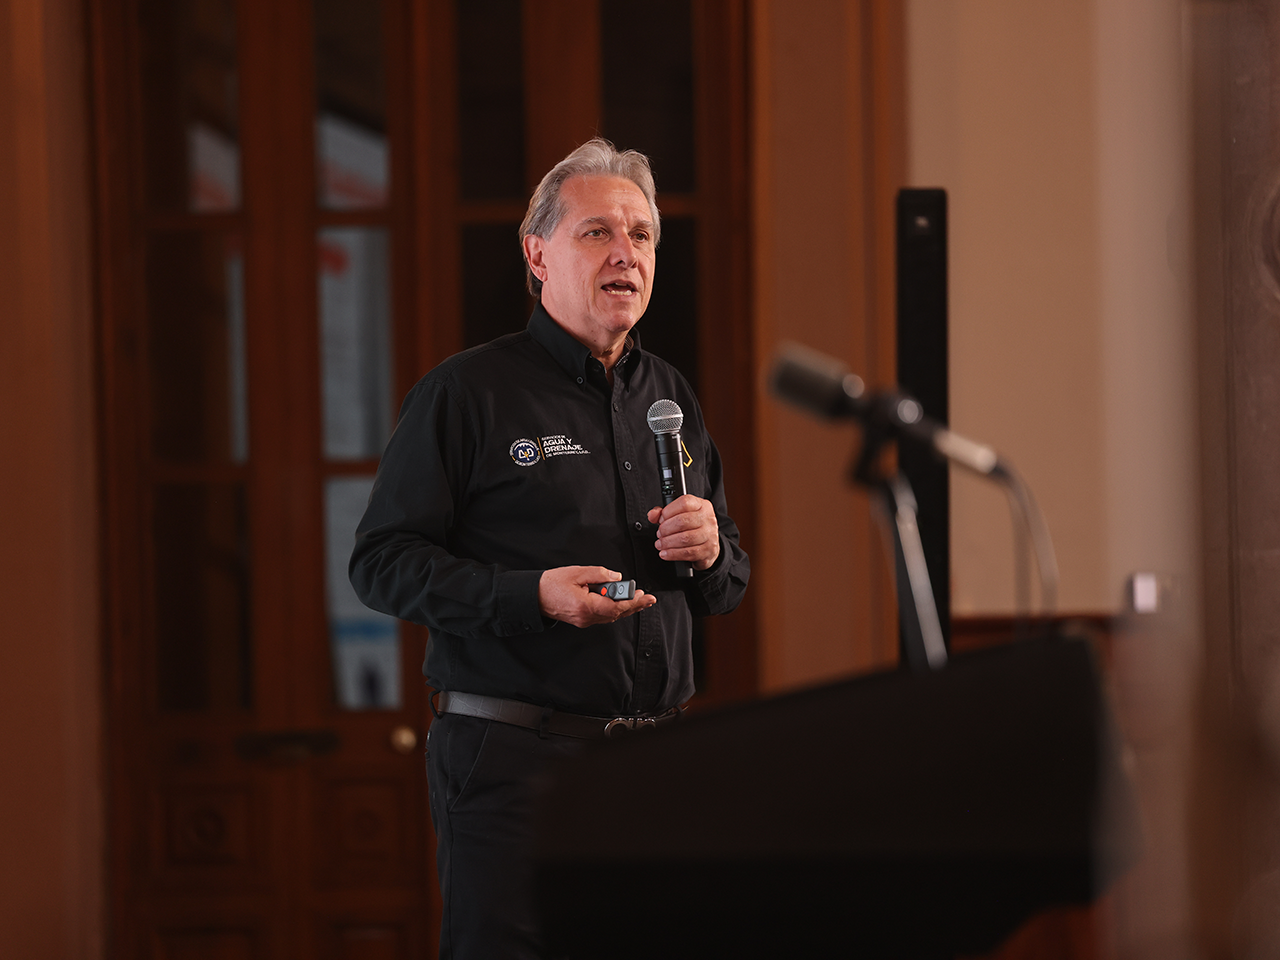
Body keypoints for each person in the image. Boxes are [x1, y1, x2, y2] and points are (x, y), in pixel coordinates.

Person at [349, 138, 750, 960]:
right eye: (597, 232)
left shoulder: (668, 395)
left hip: (658, 766)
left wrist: (712, 551)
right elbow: (381, 562)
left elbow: (728, 582)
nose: (626, 253)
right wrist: (531, 596)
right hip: (515, 767)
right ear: (538, 255)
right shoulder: (466, 393)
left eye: (641, 235)